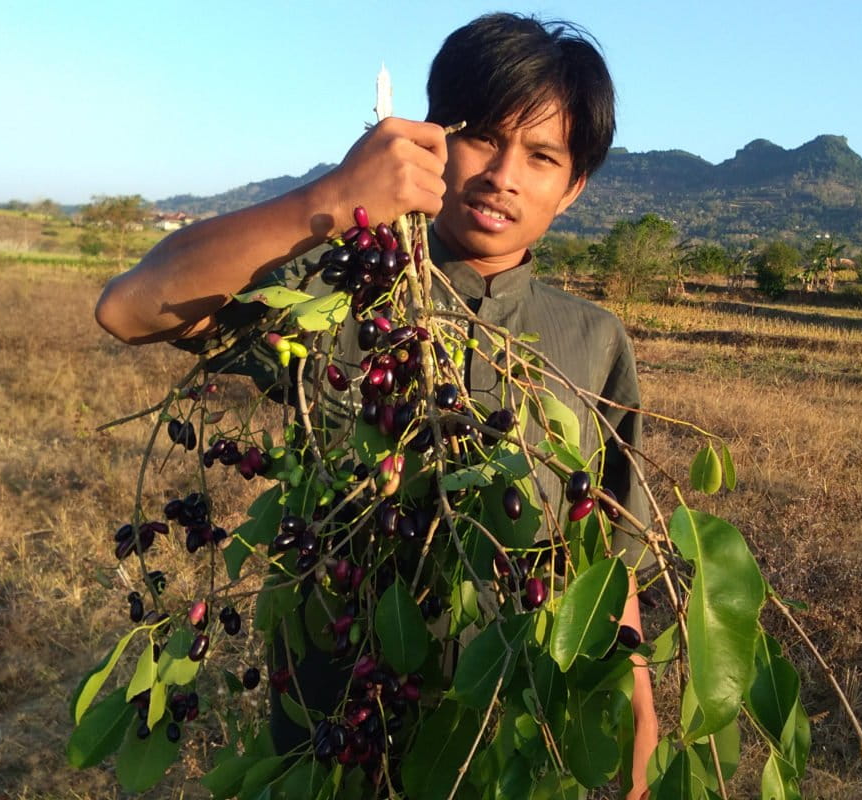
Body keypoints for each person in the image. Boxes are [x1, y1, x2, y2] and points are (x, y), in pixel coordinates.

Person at [96, 13, 656, 799]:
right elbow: (131, 308)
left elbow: (608, 550)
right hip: (338, 724)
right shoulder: (340, 290)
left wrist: (635, 715)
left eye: (541, 156)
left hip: (504, 732)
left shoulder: (592, 340)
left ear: (572, 188)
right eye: (482, 136)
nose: (503, 174)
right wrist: (330, 198)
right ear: (431, 140)